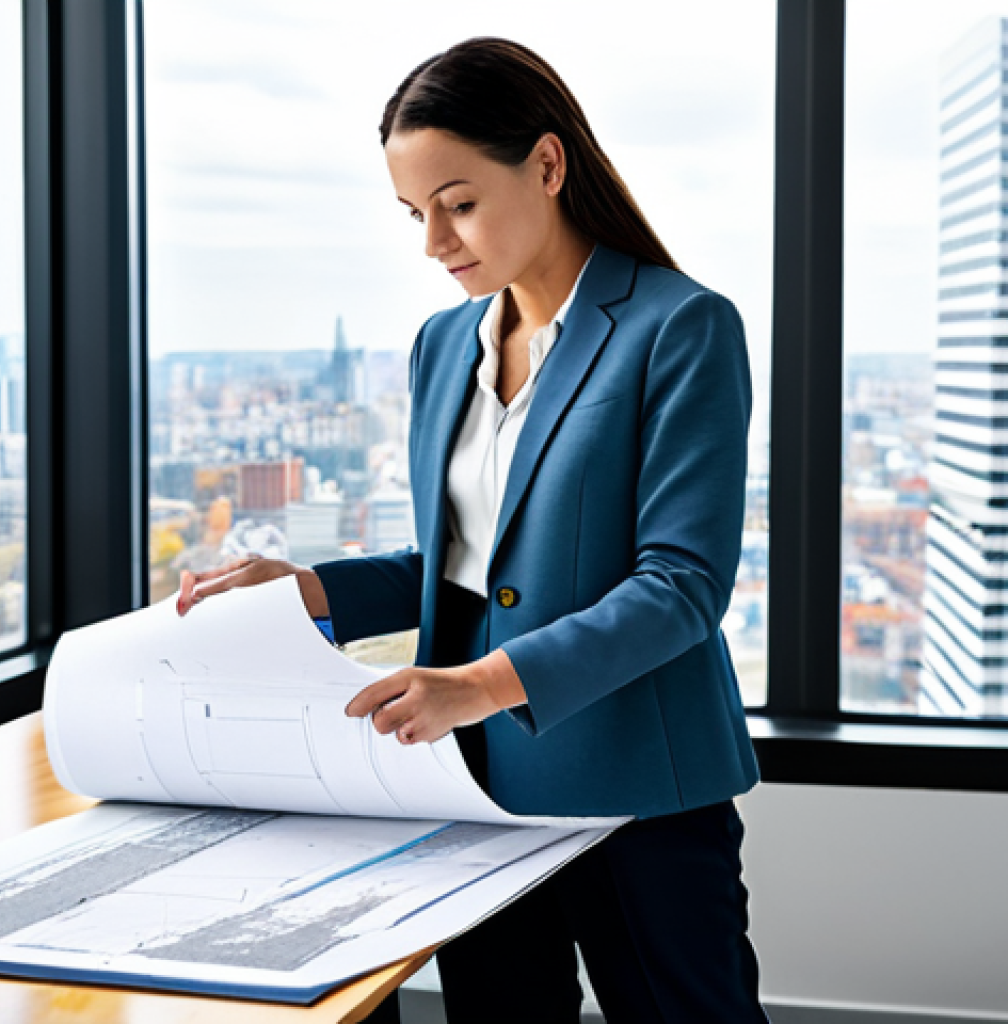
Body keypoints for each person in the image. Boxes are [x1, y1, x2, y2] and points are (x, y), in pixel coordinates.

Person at [178, 36, 769, 1024]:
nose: (434, 241)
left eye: (456, 203)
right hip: (477, 783)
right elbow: (457, 564)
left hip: (637, 786)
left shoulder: (681, 326)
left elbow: (679, 587)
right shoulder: (443, 342)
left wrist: (479, 685)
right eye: (415, 214)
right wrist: (305, 589)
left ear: (545, 164)